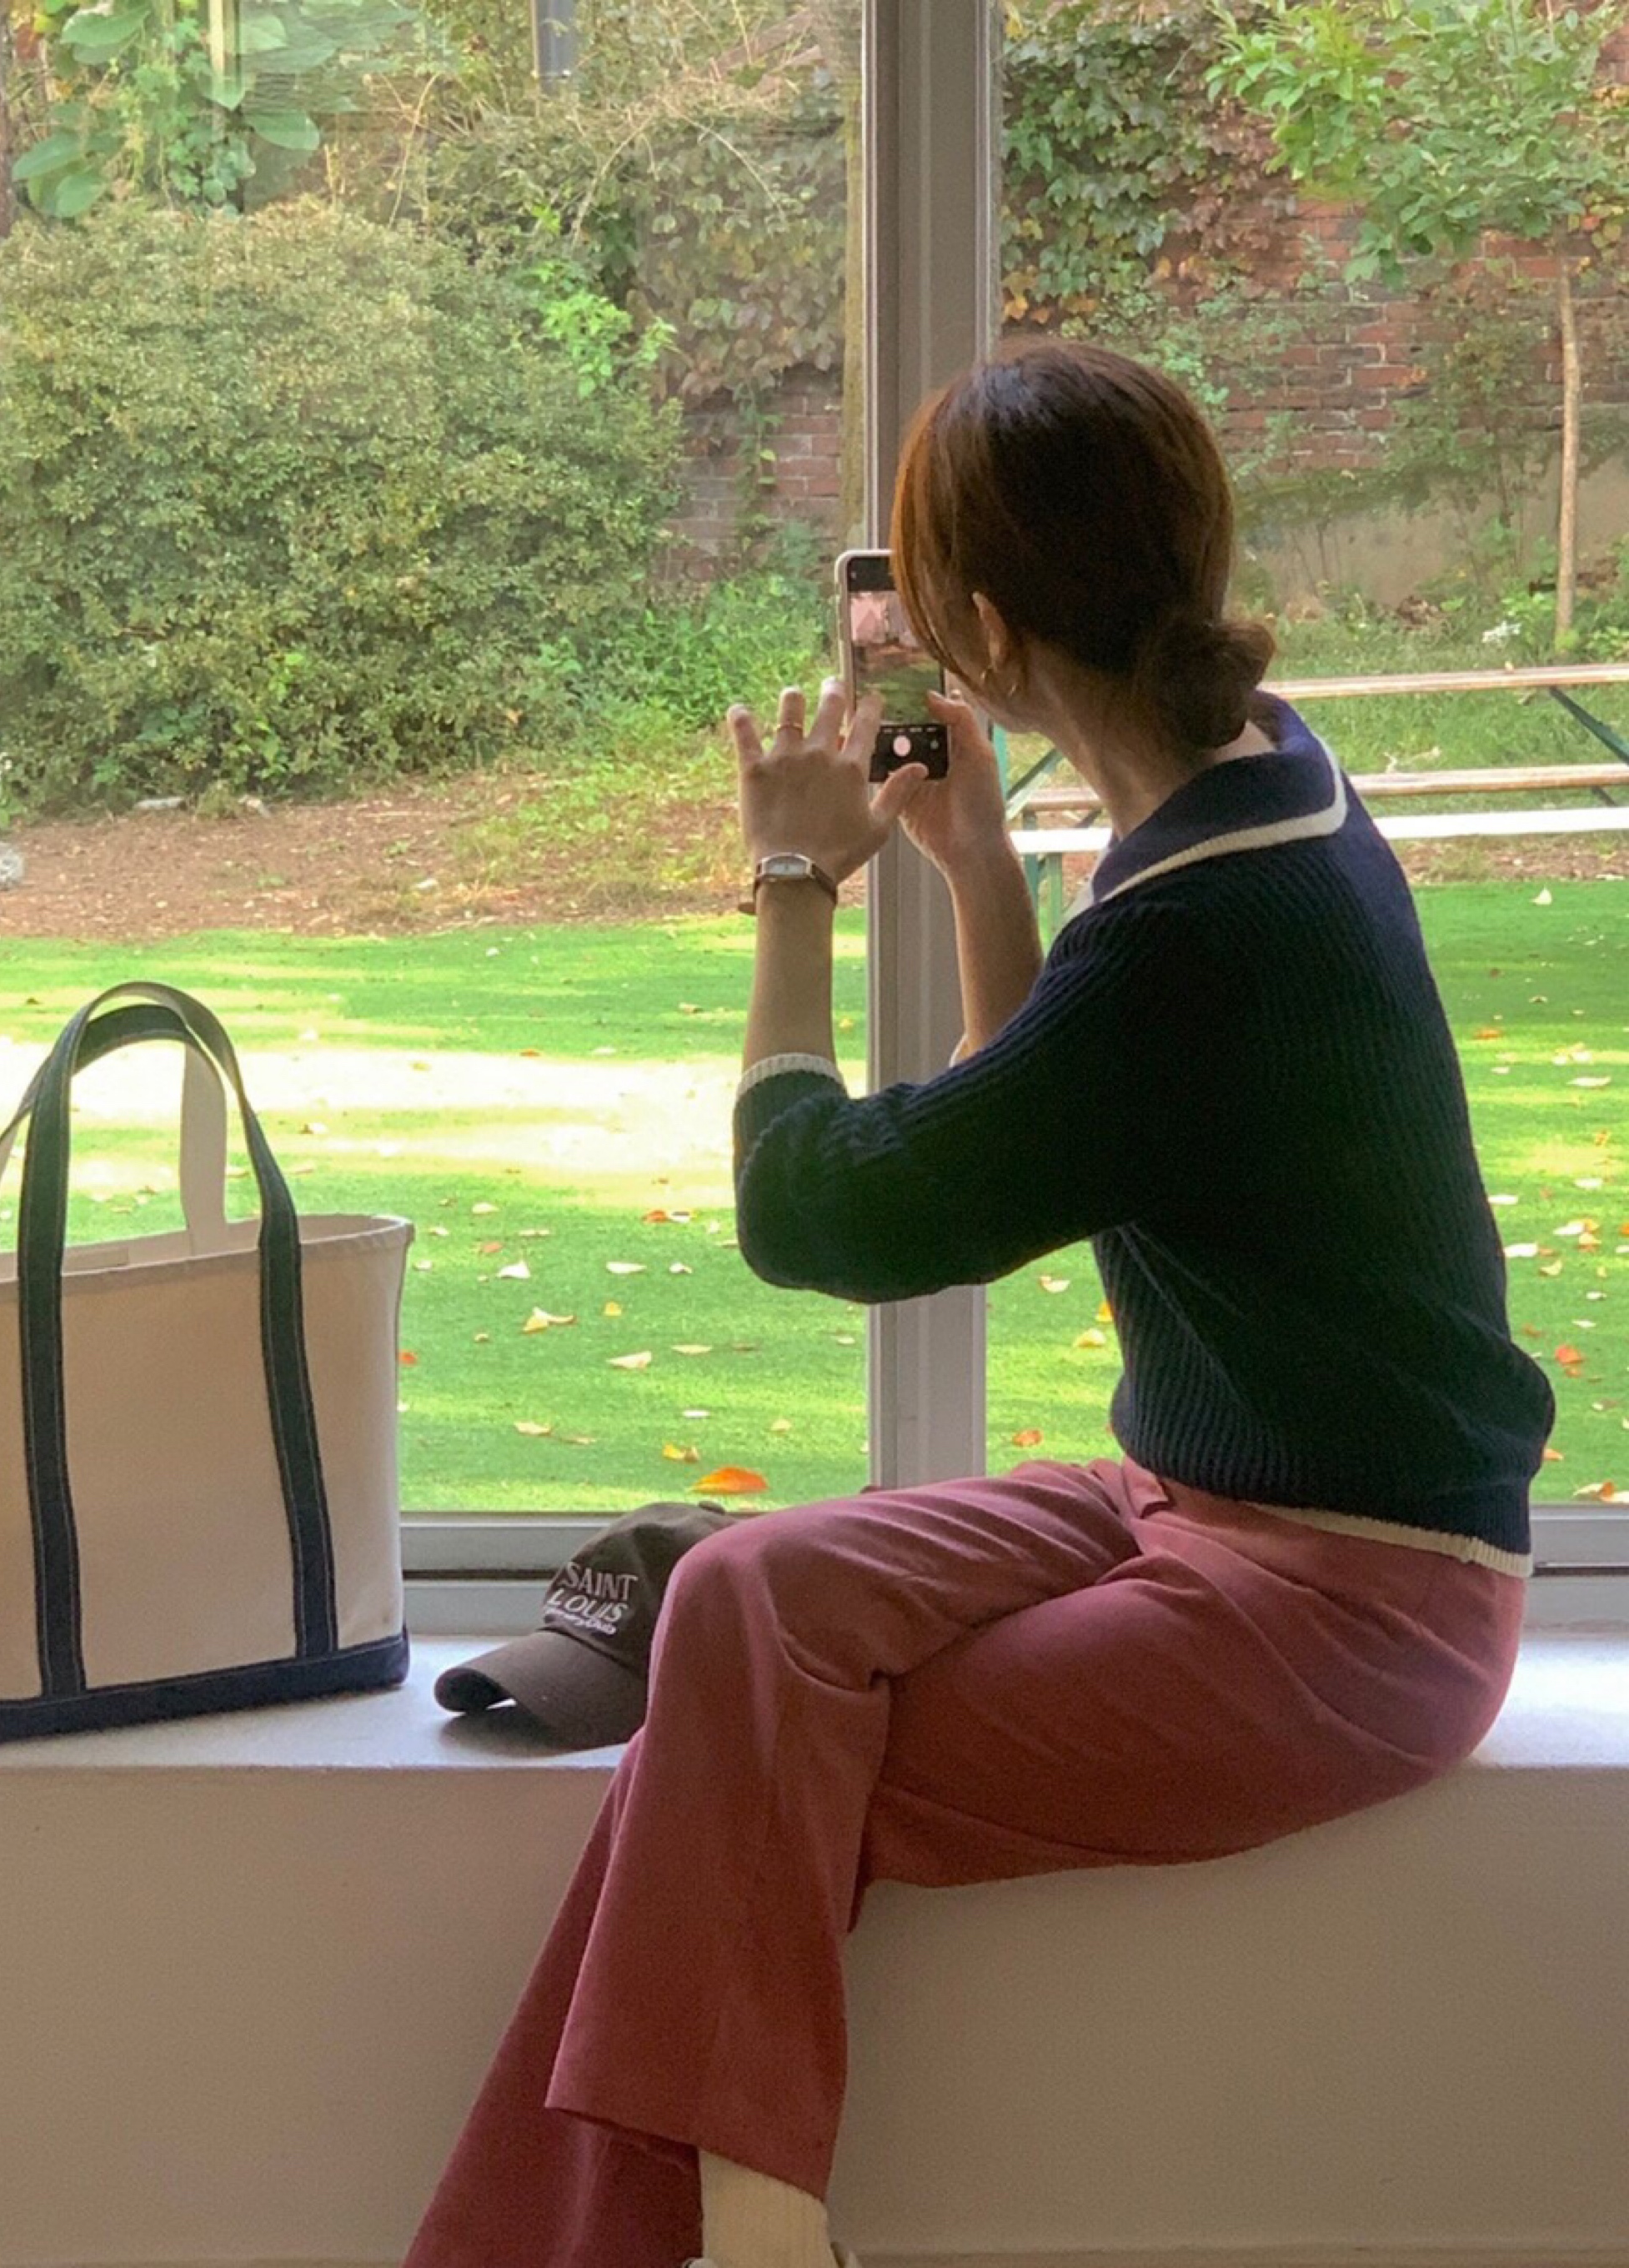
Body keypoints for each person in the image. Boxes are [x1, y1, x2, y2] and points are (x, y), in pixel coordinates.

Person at [399, 338, 1552, 2268]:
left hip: (1364, 1609)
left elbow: (813, 1212)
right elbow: (1057, 1095)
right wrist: (975, 856)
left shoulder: (1199, 924)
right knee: (741, 1600)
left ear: (988, 636)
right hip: (1196, 1502)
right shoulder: (1251, 782)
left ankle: (743, 2242)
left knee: (738, 1752)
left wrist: (794, 876)